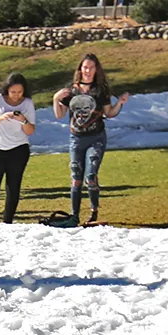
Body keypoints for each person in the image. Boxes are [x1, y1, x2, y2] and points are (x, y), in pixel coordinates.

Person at [53, 54, 132, 224]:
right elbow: (59, 115)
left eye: (91, 67)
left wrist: (120, 103)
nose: (88, 71)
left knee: (90, 174)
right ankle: (74, 215)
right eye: (85, 67)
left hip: (96, 137)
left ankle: (93, 211)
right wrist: (56, 98)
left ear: (96, 70)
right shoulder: (71, 91)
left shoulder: (100, 90)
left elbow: (109, 113)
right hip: (76, 138)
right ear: (80, 69)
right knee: (76, 175)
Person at [0, 73, 36, 227]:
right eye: (13, 92)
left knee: (13, 187)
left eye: (20, 92)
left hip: (18, 149)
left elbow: (30, 130)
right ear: (7, 90)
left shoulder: (28, 103)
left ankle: (8, 222)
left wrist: (23, 119)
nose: (16, 96)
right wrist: (1, 118)